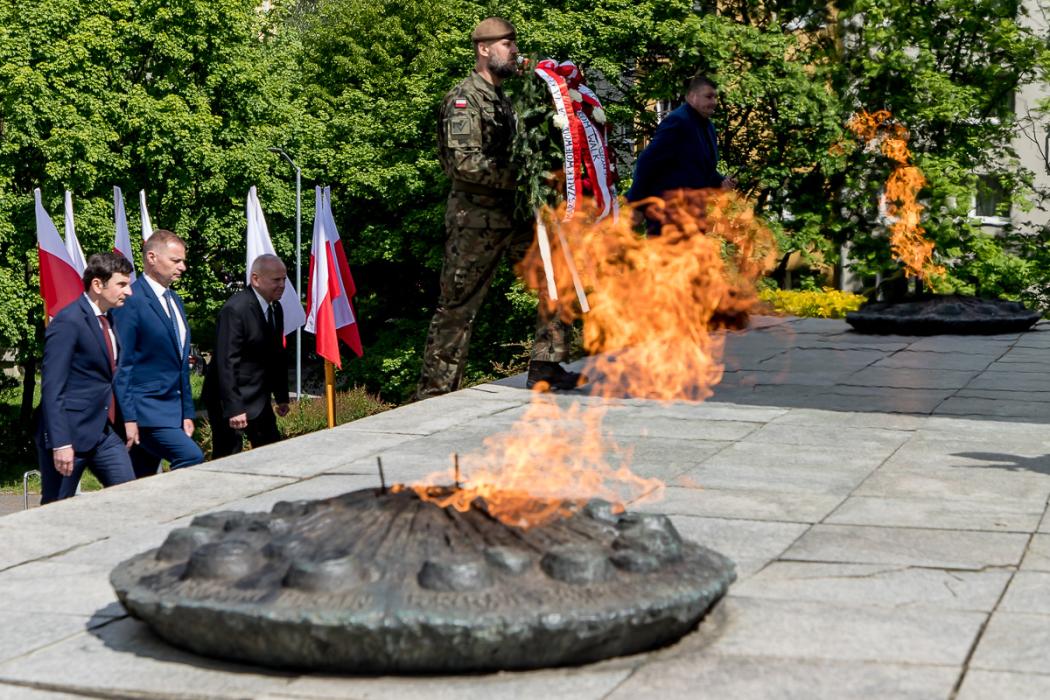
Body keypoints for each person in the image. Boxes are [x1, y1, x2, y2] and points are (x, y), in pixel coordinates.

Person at [415, 17, 582, 399]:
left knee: (557, 276)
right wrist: (524, 176)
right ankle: (435, 393)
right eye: (507, 44)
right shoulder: (464, 99)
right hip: (475, 219)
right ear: (484, 49)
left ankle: (547, 366)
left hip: (517, 214)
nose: (515, 51)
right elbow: (464, 163)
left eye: (514, 44)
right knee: (458, 305)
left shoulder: (507, 99)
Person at [36, 253, 135, 504]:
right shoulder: (68, 322)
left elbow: (110, 377)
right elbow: (52, 387)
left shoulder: (109, 319)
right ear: (98, 285)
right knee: (55, 508)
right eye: (122, 284)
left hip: (103, 433)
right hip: (69, 434)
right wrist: (61, 443)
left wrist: (128, 419)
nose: (129, 292)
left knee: (130, 496)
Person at [112, 229, 204, 476]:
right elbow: (123, 364)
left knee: (139, 482)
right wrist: (129, 417)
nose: (183, 267)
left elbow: (180, 364)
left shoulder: (175, 300)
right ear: (152, 257)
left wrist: (186, 412)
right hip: (145, 411)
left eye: (183, 261)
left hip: (172, 410)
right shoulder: (131, 301)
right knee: (191, 456)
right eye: (176, 260)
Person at [202, 254, 290, 458]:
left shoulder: (275, 308)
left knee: (272, 453)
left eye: (284, 279)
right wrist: (234, 408)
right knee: (228, 457)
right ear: (256, 279)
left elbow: (276, 355)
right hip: (229, 399)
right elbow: (226, 362)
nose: (282, 285)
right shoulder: (235, 310)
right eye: (276, 280)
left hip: (258, 398)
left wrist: (282, 396)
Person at [626, 74, 736, 228]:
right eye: (708, 97)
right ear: (692, 97)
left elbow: (700, 167)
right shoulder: (678, 121)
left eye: (715, 97)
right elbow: (647, 161)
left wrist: (721, 182)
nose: (714, 102)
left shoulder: (708, 126)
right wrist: (637, 204)